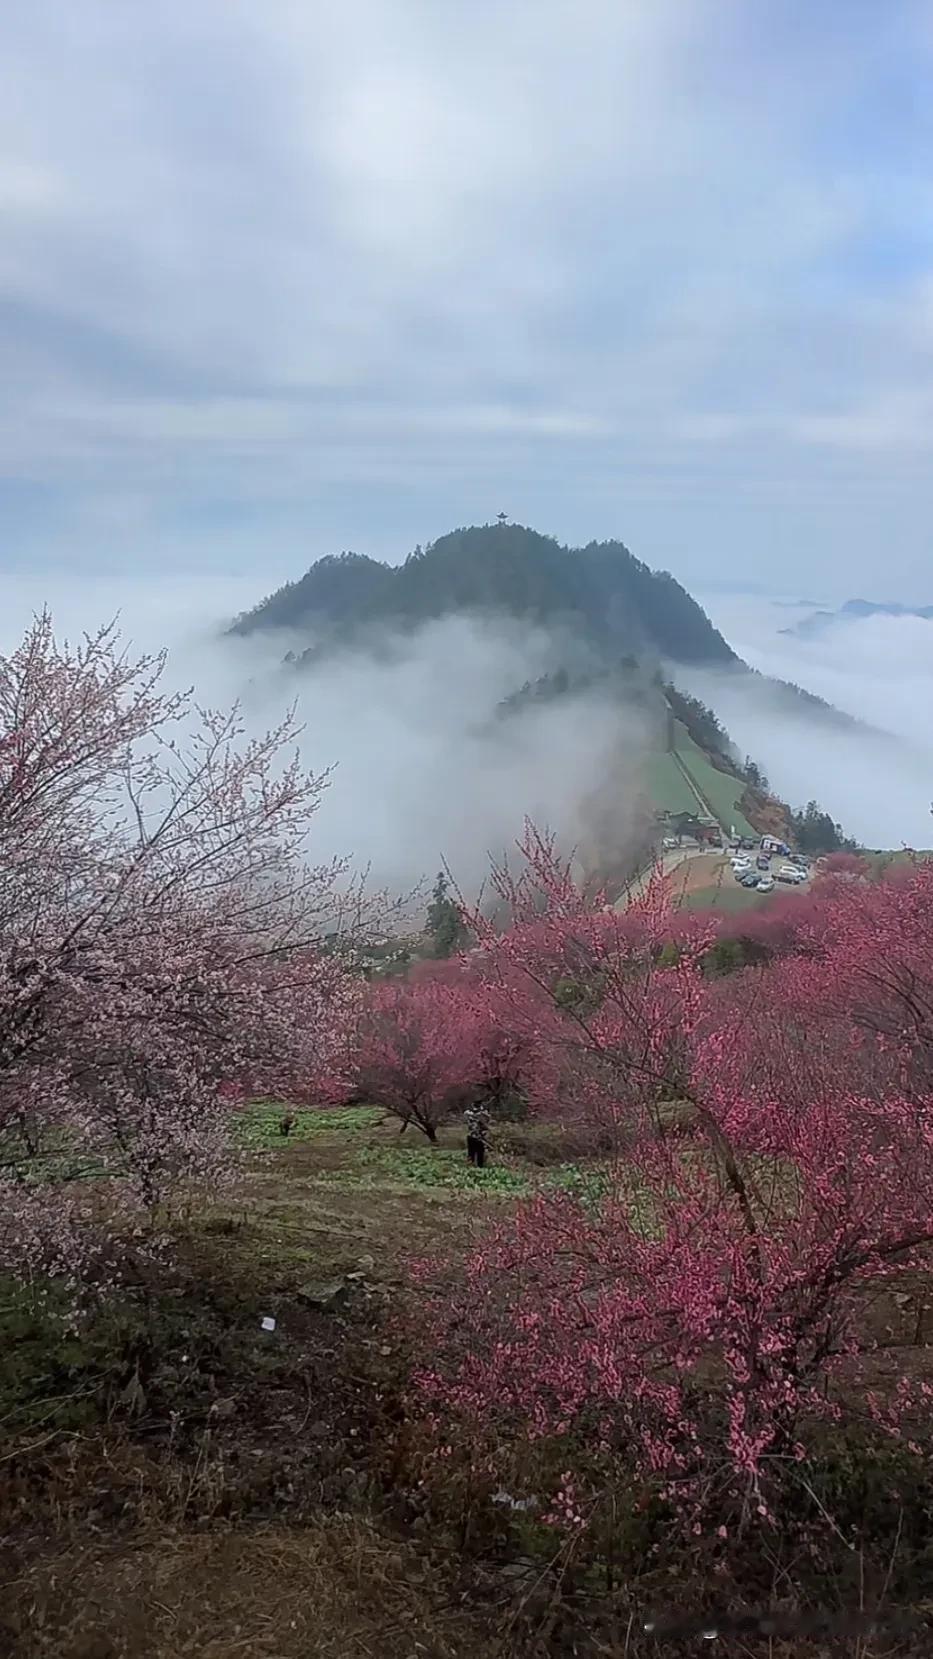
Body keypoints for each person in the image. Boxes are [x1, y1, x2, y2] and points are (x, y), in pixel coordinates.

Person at [464, 1101, 490, 1168]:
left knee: (479, 1154)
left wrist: (480, 1113)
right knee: (473, 1154)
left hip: (479, 1136)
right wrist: (478, 1113)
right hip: (473, 1136)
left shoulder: (483, 1114)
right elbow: (467, 1114)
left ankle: (477, 1167)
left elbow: (487, 1118)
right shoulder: (469, 1113)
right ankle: (472, 1167)